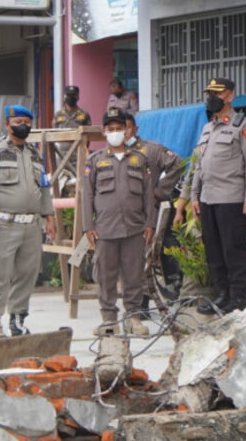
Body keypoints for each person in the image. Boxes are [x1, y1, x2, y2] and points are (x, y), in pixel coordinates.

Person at [0, 105, 58, 336]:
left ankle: (17, 320)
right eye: (18, 121)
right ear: (7, 124)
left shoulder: (35, 154)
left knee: (27, 274)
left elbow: (43, 187)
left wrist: (49, 216)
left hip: (31, 226)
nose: (23, 125)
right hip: (3, 224)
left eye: (27, 121)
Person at [80, 108, 155, 336]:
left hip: (134, 227)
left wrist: (150, 223)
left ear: (126, 131)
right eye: (110, 129)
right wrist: (88, 227)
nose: (115, 132)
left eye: (119, 128)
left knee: (134, 275)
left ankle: (133, 317)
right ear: (104, 132)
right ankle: (109, 319)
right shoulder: (94, 161)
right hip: (105, 229)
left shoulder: (140, 159)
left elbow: (148, 195)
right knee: (105, 275)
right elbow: (87, 196)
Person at [190, 77, 246, 315]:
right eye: (209, 93)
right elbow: (199, 165)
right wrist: (194, 196)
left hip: (232, 198)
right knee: (214, 250)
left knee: (233, 249)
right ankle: (222, 295)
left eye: (217, 93)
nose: (211, 97)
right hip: (208, 199)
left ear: (229, 96)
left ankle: (240, 296)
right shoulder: (207, 127)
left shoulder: (244, 125)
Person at [123, 112, 184, 206]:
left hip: (146, 208)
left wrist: (160, 192)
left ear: (136, 129)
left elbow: (178, 163)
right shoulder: (113, 154)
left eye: (128, 128)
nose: (124, 132)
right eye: (120, 129)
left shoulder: (152, 149)